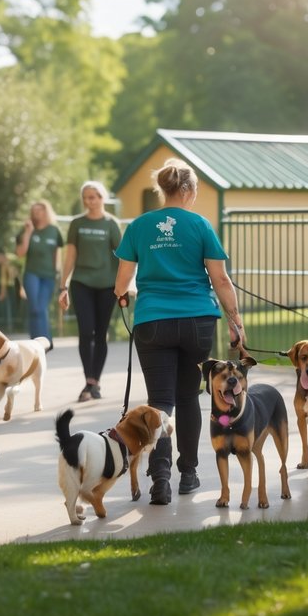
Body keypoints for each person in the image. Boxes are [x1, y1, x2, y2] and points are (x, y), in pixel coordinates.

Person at [114, 158, 244, 506]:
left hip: (152, 321)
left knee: (160, 402)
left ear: (163, 189)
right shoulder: (200, 225)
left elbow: (122, 282)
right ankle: (188, 473)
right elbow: (220, 279)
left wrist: (123, 295)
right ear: (186, 190)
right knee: (188, 398)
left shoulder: (139, 226)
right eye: (196, 190)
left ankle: (160, 479)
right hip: (197, 320)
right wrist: (236, 322)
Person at [58, 181, 122, 402]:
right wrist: (62, 285)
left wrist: (124, 287)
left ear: (102, 198)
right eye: (86, 197)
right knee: (86, 332)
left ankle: (95, 381)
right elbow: (70, 257)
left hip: (107, 286)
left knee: (101, 333)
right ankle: (89, 381)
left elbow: (123, 258)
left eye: (93, 197)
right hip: (81, 283)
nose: (89, 201)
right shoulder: (77, 223)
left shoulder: (111, 224)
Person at [15, 200, 63, 348]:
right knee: (34, 308)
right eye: (34, 211)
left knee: (41, 308)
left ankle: (45, 341)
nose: (37, 213)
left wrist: (58, 274)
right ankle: (37, 342)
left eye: (40, 210)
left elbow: (57, 254)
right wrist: (28, 233)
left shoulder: (54, 231)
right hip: (32, 274)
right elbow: (20, 253)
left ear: (46, 212)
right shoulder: (26, 230)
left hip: (49, 276)